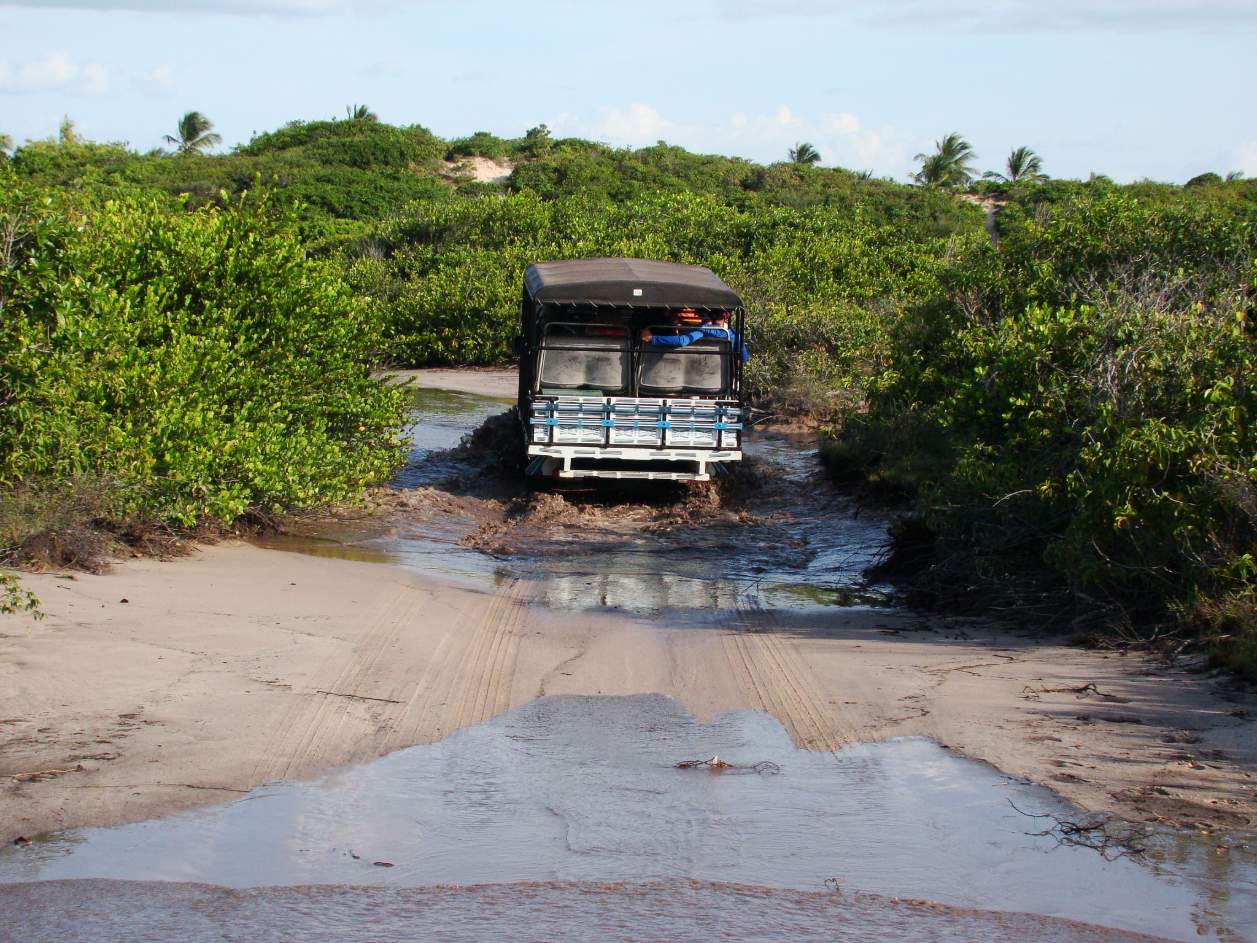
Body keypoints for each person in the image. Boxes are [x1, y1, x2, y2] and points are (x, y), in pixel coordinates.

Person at [640, 311, 748, 362]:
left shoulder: (704, 330)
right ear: (726, 317)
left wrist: (652, 338)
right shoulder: (733, 335)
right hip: (720, 380)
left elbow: (682, 341)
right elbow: (744, 358)